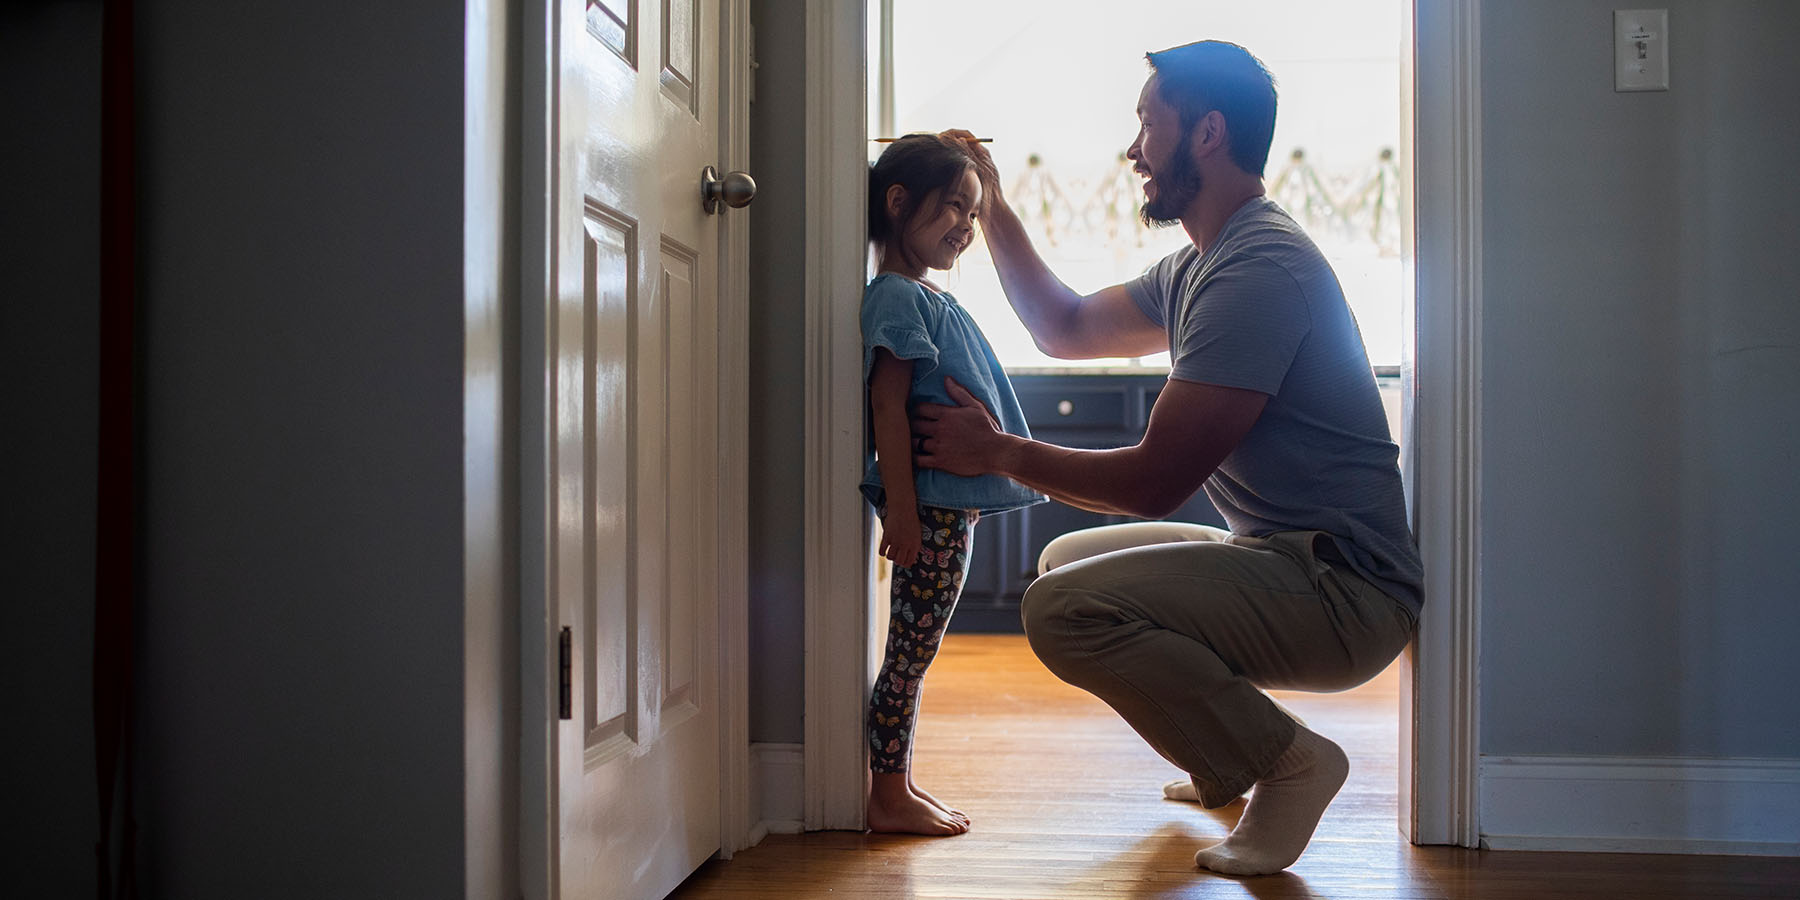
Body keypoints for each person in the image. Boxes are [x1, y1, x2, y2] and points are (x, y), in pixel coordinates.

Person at [915, 40, 1424, 875]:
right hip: (1285, 560)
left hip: (1345, 595)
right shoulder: (1200, 265)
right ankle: (1218, 751)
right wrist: (995, 206)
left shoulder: (1257, 271)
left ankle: (1290, 764)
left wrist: (998, 451)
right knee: (1064, 561)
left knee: (1062, 609)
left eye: (1150, 124)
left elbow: (1155, 483)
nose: (1134, 150)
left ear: (1208, 135)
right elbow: (1065, 327)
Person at [859, 133, 1046, 835]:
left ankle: (897, 784)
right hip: (931, 510)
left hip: (945, 508)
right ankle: (888, 794)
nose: (967, 225)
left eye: (974, 212)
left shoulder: (921, 294)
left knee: (916, 653)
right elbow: (887, 406)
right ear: (899, 203)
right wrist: (902, 513)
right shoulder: (898, 297)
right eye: (955, 208)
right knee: (909, 659)